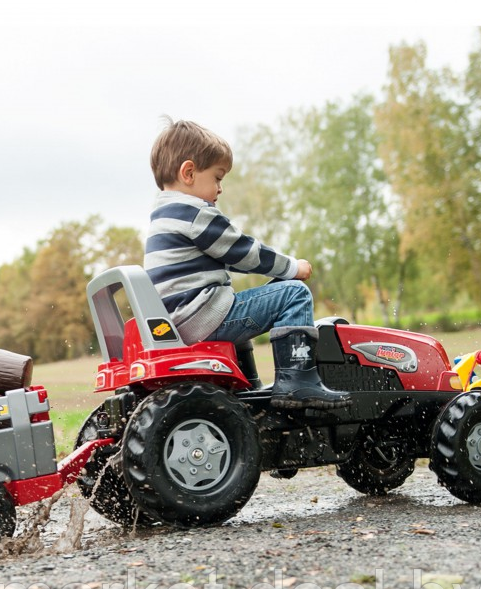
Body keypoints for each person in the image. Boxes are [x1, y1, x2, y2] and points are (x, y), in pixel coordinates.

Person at [145, 118, 350, 409]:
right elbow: (245, 252)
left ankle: (248, 388)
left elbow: (230, 258)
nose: (220, 188)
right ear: (189, 172)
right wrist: (293, 268)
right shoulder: (194, 214)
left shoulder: (164, 216)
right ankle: (298, 383)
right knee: (294, 292)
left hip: (184, 319)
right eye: (217, 177)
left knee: (273, 290)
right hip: (204, 317)